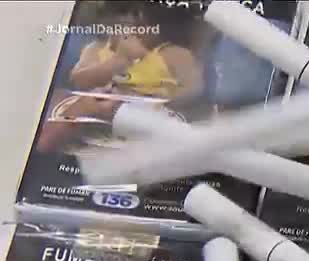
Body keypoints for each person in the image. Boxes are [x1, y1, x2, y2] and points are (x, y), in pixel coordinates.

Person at [37, 3, 204, 152]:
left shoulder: (172, 53)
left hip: (151, 121)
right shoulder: (96, 49)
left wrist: (154, 98)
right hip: (98, 122)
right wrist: (120, 60)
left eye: (140, 24)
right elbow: (78, 81)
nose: (132, 30)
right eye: (122, 24)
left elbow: (195, 90)